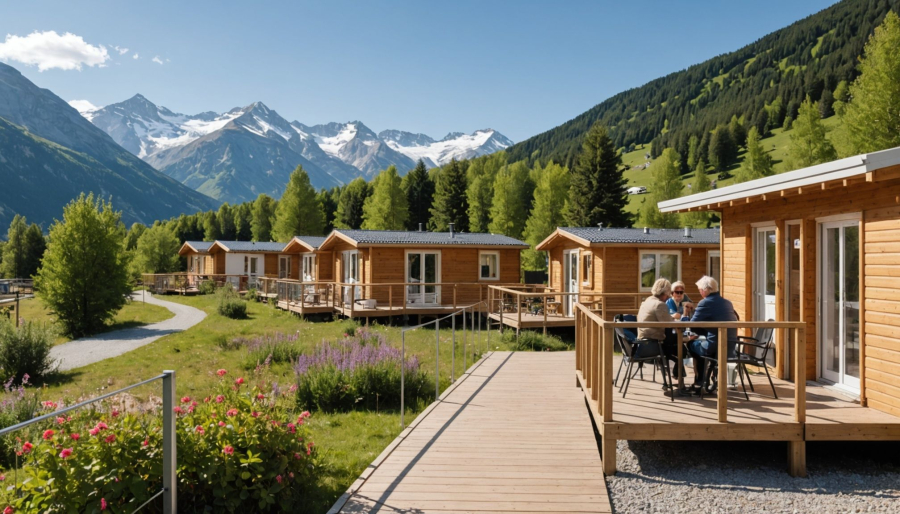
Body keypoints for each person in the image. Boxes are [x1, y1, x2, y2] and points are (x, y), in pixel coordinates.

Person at [687, 275, 737, 392]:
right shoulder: (727, 303)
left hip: (715, 346)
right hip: (730, 347)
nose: (700, 292)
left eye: (700, 290)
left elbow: (692, 324)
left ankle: (700, 382)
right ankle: (711, 375)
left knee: (692, 345)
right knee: (702, 345)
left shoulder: (705, 303)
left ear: (705, 290)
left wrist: (699, 332)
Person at [636, 278, 680, 380]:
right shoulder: (660, 304)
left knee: (676, 346)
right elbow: (669, 324)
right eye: (668, 294)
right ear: (665, 292)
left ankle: (674, 377)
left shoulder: (647, 301)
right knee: (680, 349)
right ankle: (678, 377)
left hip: (641, 342)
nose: (669, 296)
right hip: (652, 345)